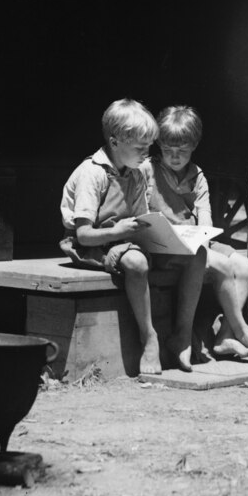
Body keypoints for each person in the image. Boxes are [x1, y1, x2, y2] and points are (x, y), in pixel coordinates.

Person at [60, 98, 206, 376]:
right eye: (140, 148)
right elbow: (83, 234)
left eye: (148, 147)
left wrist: (168, 237)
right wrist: (118, 232)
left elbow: (142, 221)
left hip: (126, 240)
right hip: (95, 244)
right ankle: (148, 336)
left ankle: (182, 334)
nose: (146, 154)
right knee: (137, 262)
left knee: (196, 252)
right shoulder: (93, 173)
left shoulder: (136, 174)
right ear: (115, 143)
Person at [150, 105, 248, 359]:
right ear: (159, 146)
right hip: (165, 244)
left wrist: (203, 237)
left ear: (193, 147)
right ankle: (243, 331)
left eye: (182, 151)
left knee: (247, 267)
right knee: (220, 265)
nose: (174, 157)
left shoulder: (197, 176)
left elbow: (205, 218)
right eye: (167, 150)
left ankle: (225, 336)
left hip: (194, 241)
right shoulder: (149, 171)